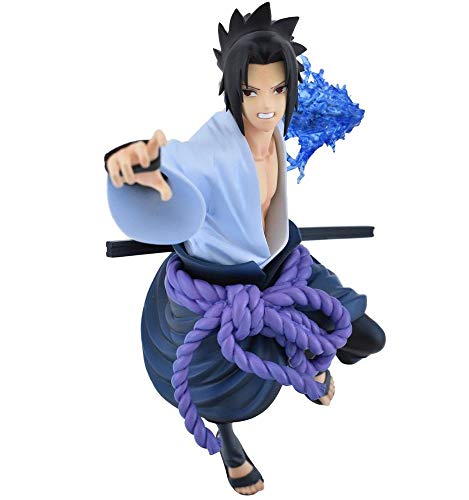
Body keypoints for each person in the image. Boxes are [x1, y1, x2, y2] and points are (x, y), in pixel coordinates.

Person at [105, 2, 385, 495]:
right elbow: (176, 160)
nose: (265, 105)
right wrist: (131, 162)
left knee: (365, 336)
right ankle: (229, 442)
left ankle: (308, 362)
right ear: (235, 90)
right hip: (218, 283)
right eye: (252, 91)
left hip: (281, 262)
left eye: (277, 90)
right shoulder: (214, 146)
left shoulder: (276, 131)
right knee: (218, 383)